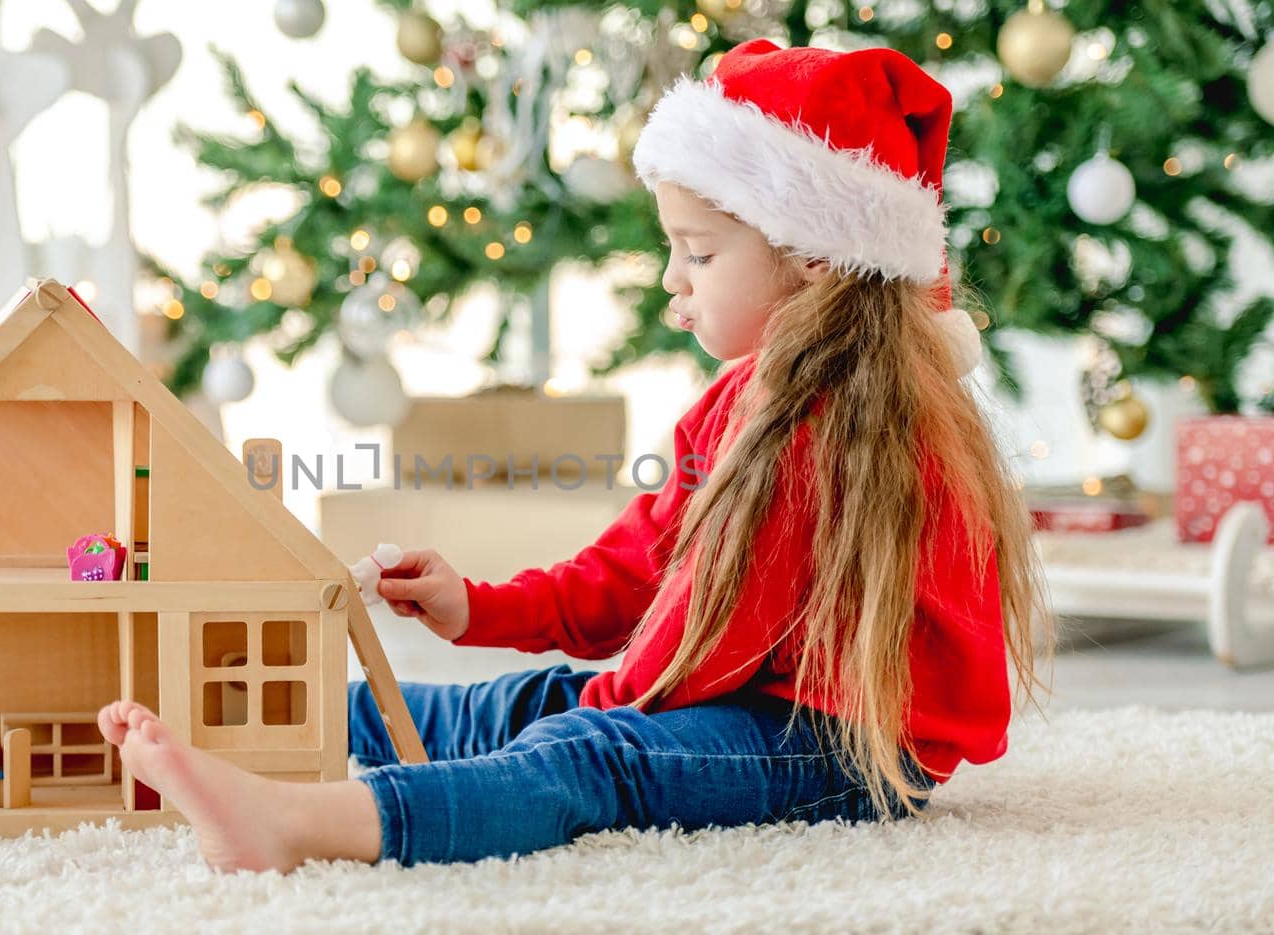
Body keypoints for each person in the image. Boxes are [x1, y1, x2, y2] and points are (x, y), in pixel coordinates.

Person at [96, 37, 1053, 872]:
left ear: (813, 256)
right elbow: (638, 565)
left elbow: (706, 628)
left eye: (701, 253)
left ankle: (303, 821)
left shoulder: (838, 423)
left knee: (588, 749)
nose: (673, 282)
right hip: (754, 692)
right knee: (533, 699)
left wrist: (601, 710)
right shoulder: (736, 399)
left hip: (850, 750)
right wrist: (484, 606)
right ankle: (251, 726)